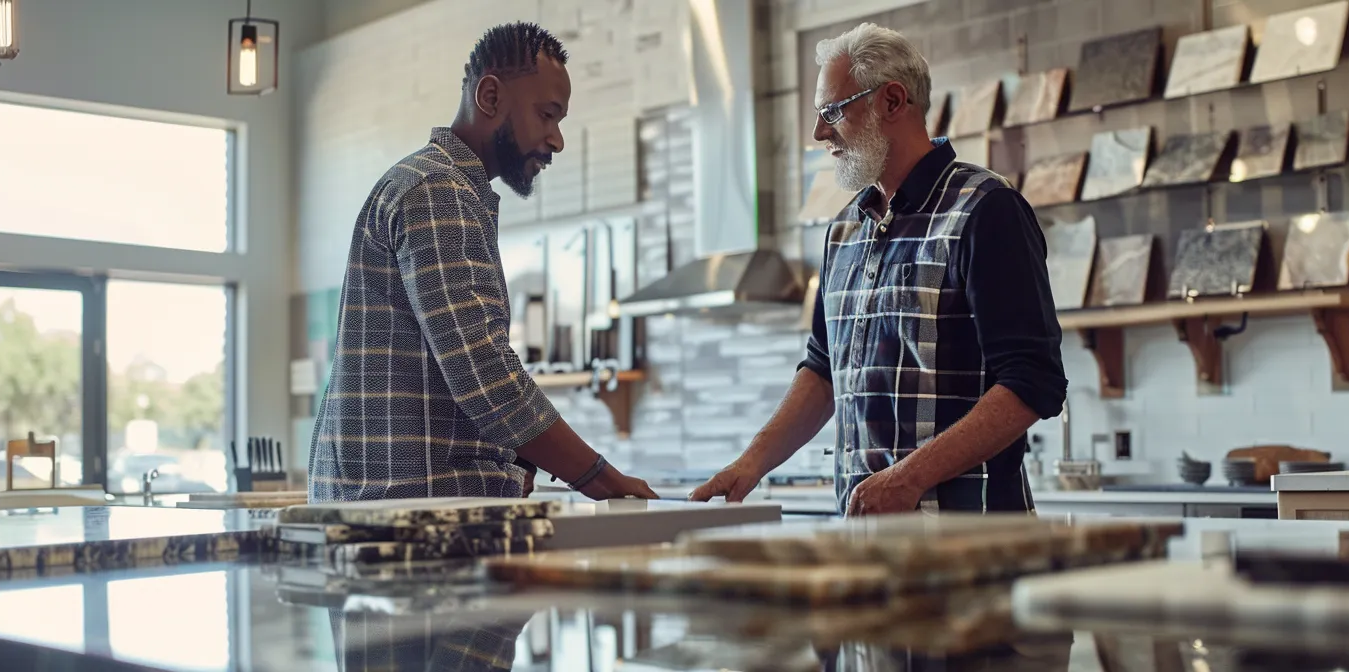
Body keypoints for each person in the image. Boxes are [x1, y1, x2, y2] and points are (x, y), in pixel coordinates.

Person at [691, 22, 1066, 517]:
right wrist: (750, 464)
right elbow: (824, 370)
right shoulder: (844, 230)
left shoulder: (986, 210)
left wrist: (907, 478)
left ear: (891, 102)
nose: (819, 132)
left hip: (972, 535)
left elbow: (1033, 380)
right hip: (869, 536)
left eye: (833, 111)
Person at [307, 22, 656, 504]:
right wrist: (600, 479)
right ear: (490, 96)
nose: (557, 140)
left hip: (402, 503)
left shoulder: (441, 188)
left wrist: (515, 452)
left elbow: (450, 371)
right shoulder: (437, 191)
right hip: (417, 512)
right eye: (547, 115)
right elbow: (483, 370)